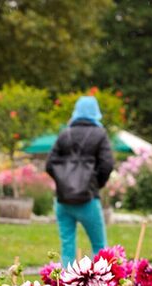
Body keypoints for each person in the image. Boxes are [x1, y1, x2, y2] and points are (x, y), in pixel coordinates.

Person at [45, 96, 114, 264]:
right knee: (99, 247)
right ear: (96, 112)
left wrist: (64, 182)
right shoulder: (99, 134)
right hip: (88, 200)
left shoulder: (65, 133)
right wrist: (96, 184)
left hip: (63, 201)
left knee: (67, 247)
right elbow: (107, 164)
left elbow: (49, 164)